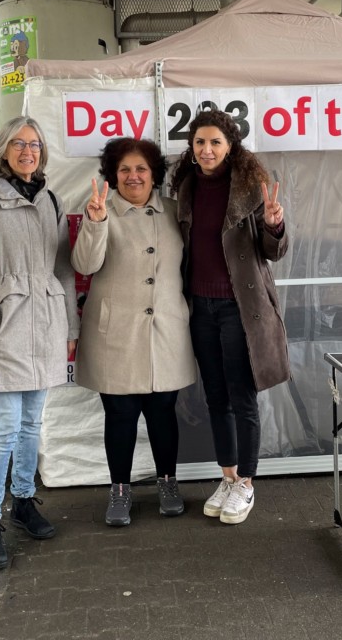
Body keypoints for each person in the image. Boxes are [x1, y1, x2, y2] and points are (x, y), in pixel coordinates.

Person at [0, 115, 79, 570]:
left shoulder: (50, 199)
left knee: (32, 425)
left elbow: (63, 270)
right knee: (5, 428)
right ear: (3, 149)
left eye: (36, 145)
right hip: (7, 328)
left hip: (45, 325)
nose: (28, 151)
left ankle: (24, 500)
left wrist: (70, 330)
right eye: (19, 144)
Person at [170, 110, 290, 525]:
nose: (206, 150)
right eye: (200, 142)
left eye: (215, 142)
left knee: (243, 397)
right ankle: (227, 476)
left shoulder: (250, 189)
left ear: (230, 146)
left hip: (241, 309)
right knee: (215, 397)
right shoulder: (184, 187)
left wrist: (274, 224)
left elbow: (272, 252)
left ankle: (247, 483)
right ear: (192, 147)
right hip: (200, 308)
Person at [72, 138, 196, 526]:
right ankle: (120, 490)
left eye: (141, 168)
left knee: (163, 410)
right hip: (116, 333)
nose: (133, 176)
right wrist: (95, 224)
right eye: (124, 169)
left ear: (154, 173)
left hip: (165, 329)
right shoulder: (100, 211)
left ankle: (168, 482)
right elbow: (84, 264)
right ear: (113, 174)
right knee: (121, 413)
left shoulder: (176, 212)